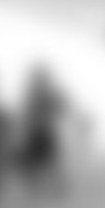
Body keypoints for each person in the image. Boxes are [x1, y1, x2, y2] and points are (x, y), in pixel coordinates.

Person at [17, 65, 72, 196]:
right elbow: (27, 114)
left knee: (48, 162)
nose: (37, 82)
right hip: (36, 133)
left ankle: (56, 187)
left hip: (44, 132)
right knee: (38, 163)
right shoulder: (34, 95)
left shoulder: (45, 95)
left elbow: (61, 107)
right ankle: (46, 188)